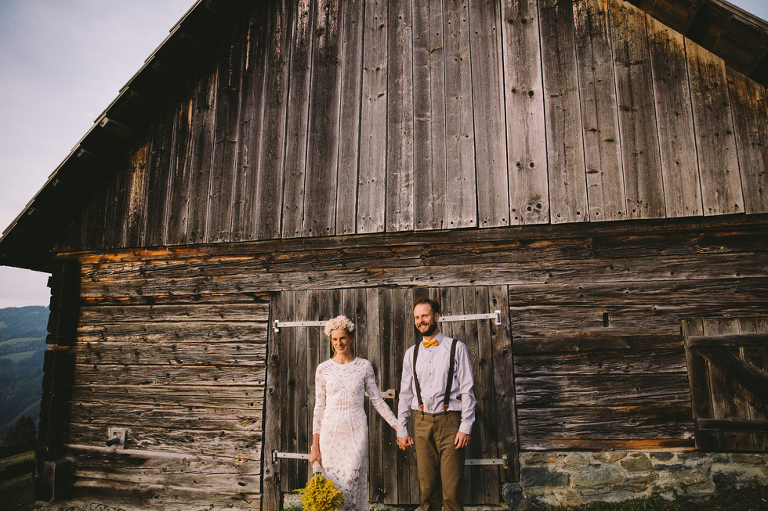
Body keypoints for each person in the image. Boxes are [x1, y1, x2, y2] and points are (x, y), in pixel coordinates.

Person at [309, 315, 397, 511]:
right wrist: (315, 446)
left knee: (350, 485)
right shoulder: (323, 369)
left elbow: (377, 400)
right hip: (330, 434)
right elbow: (319, 407)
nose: (339, 343)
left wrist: (398, 426)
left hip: (356, 432)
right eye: (334, 339)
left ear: (351, 338)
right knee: (331, 489)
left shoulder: (364, 366)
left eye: (342, 338)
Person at [396, 297, 476, 511]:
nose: (420, 321)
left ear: (436, 317)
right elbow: (405, 394)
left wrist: (466, 426)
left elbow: (467, 390)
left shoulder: (456, 348)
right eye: (416, 317)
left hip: (450, 422)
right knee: (427, 487)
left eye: (424, 315)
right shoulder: (411, 353)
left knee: (452, 488)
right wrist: (401, 429)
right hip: (422, 422)